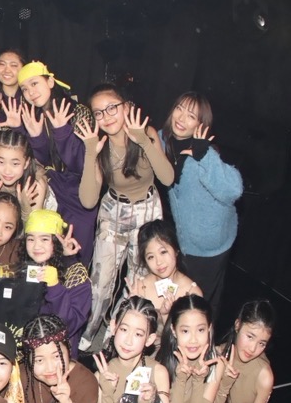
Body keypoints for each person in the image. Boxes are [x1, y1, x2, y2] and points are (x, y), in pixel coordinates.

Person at [77, 84, 174, 350]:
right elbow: (88, 200)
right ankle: (90, 330)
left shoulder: (146, 133)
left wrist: (143, 140)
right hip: (114, 211)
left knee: (138, 280)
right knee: (101, 280)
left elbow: (167, 178)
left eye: (112, 108)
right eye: (98, 112)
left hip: (147, 210)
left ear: (126, 107)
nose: (106, 116)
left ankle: (118, 330)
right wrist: (90, 152)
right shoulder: (99, 145)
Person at [160, 92, 243, 319]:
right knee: (176, 296)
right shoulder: (164, 140)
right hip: (184, 240)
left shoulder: (205, 152)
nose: (181, 118)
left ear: (200, 124)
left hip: (210, 246)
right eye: (179, 109)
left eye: (191, 116)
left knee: (200, 306)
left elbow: (234, 190)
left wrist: (204, 154)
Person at [14, 62, 95, 262]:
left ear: (50, 82)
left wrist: (62, 132)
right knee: (48, 253)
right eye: (24, 89)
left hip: (79, 194)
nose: (30, 92)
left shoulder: (78, 111)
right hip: (53, 190)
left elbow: (81, 165)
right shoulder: (35, 116)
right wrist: (36, 137)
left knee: (76, 254)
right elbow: (45, 162)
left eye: (34, 83)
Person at [16, 210, 92, 356]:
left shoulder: (76, 275)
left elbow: (70, 325)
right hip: (25, 349)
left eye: (44, 239)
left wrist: (55, 286)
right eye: (31, 239)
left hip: (57, 353)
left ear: (57, 241)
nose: (36, 246)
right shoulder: (22, 266)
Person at [127, 219, 199, 337]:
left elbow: (192, 338)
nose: (158, 262)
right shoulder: (140, 287)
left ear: (176, 250)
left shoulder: (192, 292)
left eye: (163, 252)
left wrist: (167, 316)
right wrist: (131, 309)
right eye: (151, 257)